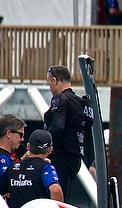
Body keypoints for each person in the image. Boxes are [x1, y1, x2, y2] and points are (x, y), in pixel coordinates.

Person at [45, 65, 92, 199]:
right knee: (64, 196)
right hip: (76, 158)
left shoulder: (60, 99)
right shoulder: (81, 102)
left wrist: (42, 145)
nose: (49, 87)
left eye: (49, 83)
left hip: (61, 156)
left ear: (54, 80)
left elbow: (58, 126)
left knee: (56, 200)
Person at [0, 130, 64, 208]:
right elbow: (55, 190)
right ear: (50, 150)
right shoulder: (46, 167)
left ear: (28, 146)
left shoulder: (13, 166)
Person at [0, 114, 25, 188]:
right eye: (21, 135)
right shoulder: (0, 158)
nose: (22, 139)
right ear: (9, 133)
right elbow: (12, 185)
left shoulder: (3, 155)